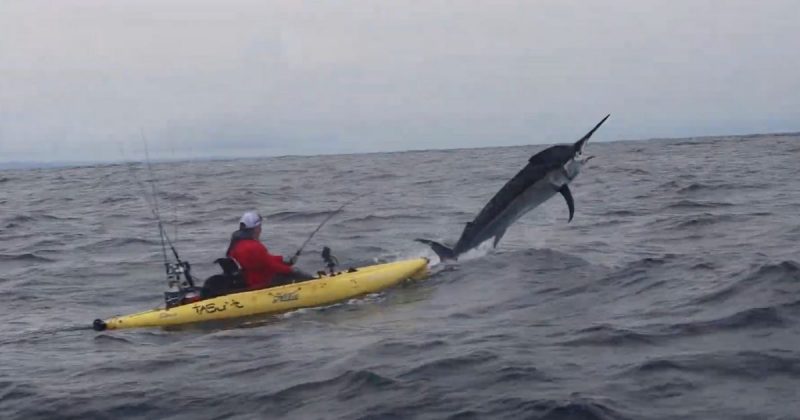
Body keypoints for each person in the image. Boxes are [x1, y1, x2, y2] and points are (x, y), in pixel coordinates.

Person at [226, 211, 307, 290]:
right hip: (261, 283)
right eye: (260, 226)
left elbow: (264, 260)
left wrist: (283, 259)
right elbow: (271, 266)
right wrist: (291, 270)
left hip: (250, 280)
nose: (261, 229)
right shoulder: (253, 246)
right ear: (256, 228)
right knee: (296, 274)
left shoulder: (237, 243)